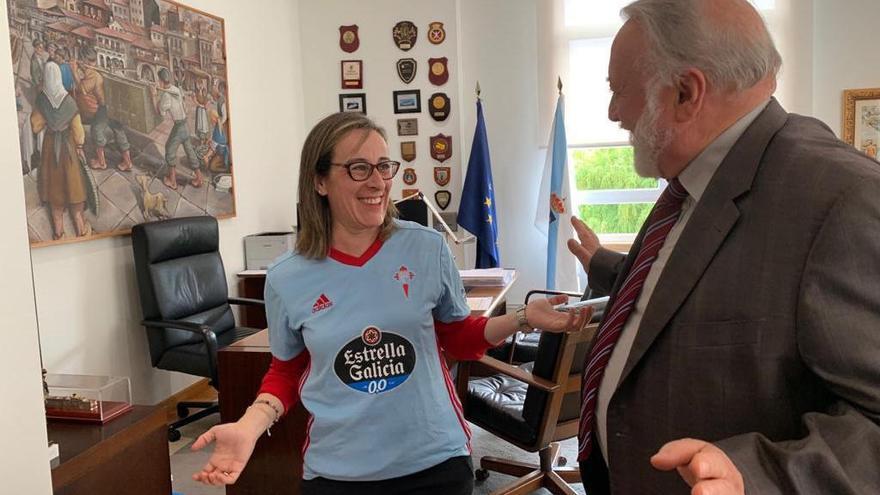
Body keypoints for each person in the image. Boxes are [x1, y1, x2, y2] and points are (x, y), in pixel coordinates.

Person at [567, 1, 880, 494]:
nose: (612, 112)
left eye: (617, 89)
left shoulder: (841, 199)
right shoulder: (691, 180)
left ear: (687, 93)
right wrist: (602, 263)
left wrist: (755, 475)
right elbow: (682, 285)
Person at [190, 112, 591, 493]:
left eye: (384, 166)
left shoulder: (427, 247)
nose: (378, 181)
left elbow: (457, 338)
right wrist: (250, 425)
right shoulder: (286, 277)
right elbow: (288, 368)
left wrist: (522, 318)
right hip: (339, 472)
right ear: (319, 181)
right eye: (358, 168)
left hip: (435, 461)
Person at [30, 50, 94, 239]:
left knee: (55, 189)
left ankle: (58, 232)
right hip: (68, 146)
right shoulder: (69, 101)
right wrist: (80, 145)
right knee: (74, 185)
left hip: (51, 146)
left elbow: (35, 126)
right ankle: (81, 228)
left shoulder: (41, 100)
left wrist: (49, 122)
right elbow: (78, 131)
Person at [74, 47, 133, 171]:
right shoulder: (94, 71)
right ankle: (128, 162)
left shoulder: (93, 75)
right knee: (118, 131)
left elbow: (82, 89)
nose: (88, 64)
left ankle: (101, 162)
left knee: (96, 130)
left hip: (104, 108)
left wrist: (74, 71)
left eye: (89, 61)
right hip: (112, 105)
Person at [152, 67, 203, 189]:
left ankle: (172, 181)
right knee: (190, 151)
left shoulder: (166, 96)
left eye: (158, 80)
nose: (157, 83)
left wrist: (154, 96)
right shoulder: (175, 89)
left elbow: (160, 113)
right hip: (185, 125)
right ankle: (199, 178)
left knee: (169, 149)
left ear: (161, 81)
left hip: (179, 126)